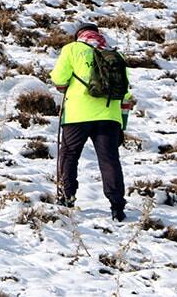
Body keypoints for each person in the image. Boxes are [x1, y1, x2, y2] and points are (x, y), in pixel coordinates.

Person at [50, 22, 134, 221]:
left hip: (77, 115)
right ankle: (117, 207)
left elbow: (59, 80)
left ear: (78, 36)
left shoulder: (72, 49)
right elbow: (126, 94)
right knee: (109, 160)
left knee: (69, 155)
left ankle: (66, 197)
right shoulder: (116, 56)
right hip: (109, 116)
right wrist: (122, 124)